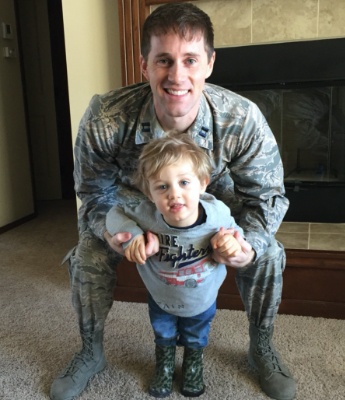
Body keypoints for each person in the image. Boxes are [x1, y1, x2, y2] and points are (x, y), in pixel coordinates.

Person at [50, 3, 296, 400]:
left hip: (214, 204)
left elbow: (266, 197)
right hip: (134, 205)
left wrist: (245, 242)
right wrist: (122, 234)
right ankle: (90, 351)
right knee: (87, 256)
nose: (177, 76)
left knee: (267, 253)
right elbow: (94, 195)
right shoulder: (105, 117)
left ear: (210, 64)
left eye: (190, 60)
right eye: (163, 60)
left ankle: (261, 345)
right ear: (144, 63)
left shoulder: (241, 117)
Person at [106, 133, 243, 397]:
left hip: (202, 297)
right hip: (161, 295)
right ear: (149, 193)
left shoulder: (217, 214)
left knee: (196, 335)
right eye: (162, 187)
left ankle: (193, 363)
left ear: (203, 184)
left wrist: (232, 244)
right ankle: (165, 364)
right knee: (163, 333)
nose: (174, 194)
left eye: (183, 182)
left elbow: (237, 232)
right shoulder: (146, 214)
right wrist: (131, 234)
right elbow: (114, 213)